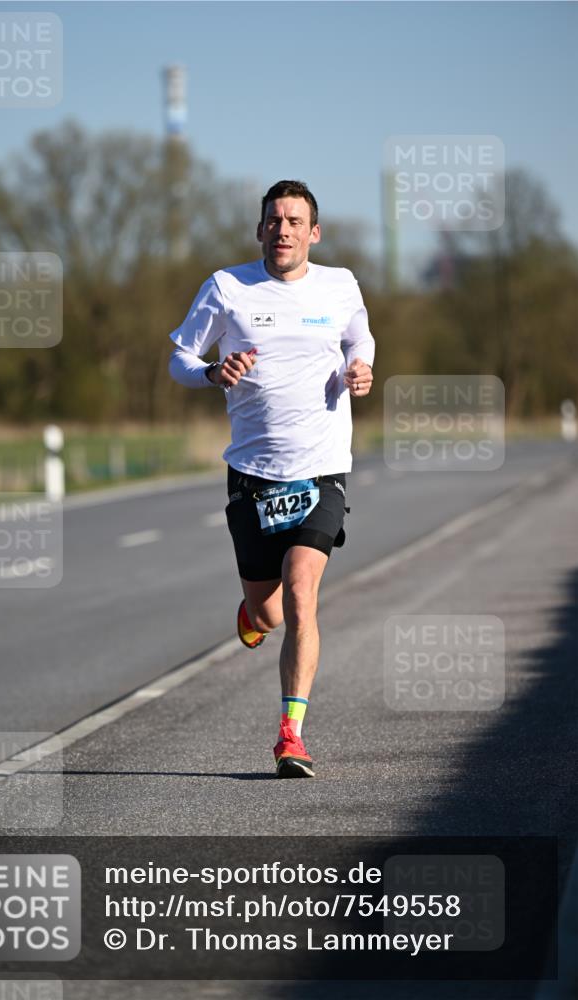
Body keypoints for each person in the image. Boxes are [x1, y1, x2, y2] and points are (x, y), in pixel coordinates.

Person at [168, 180, 374, 778]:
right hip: (253, 475)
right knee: (269, 616)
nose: (282, 229)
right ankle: (250, 614)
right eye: (273, 220)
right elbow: (180, 356)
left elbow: (360, 337)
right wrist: (211, 372)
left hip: (321, 470)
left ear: (314, 232)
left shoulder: (340, 285)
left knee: (303, 595)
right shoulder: (227, 287)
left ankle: (291, 735)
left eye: (294, 220)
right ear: (259, 229)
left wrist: (361, 367)